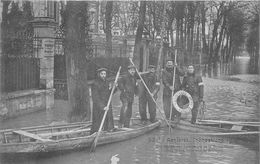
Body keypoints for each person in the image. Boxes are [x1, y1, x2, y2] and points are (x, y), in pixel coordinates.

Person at [90, 68, 115, 134]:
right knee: (98, 122)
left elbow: (108, 93)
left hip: (106, 103)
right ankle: (95, 133)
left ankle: (107, 132)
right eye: (102, 74)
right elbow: (95, 98)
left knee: (107, 120)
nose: (104, 75)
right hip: (99, 106)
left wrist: (114, 88)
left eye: (105, 74)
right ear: (99, 74)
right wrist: (102, 107)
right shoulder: (95, 84)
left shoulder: (106, 82)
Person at [162, 58, 185, 123]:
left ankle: (176, 118)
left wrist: (177, 67)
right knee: (167, 105)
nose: (169, 65)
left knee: (177, 104)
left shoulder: (176, 70)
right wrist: (169, 86)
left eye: (171, 64)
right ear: (166, 64)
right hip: (167, 91)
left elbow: (182, 74)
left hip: (176, 91)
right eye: (168, 64)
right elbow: (164, 80)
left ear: (173, 64)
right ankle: (168, 118)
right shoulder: (164, 71)